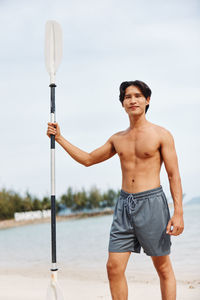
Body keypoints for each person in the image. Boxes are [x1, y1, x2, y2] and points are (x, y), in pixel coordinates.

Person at [47, 80, 184, 300]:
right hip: (124, 206)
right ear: (122, 104)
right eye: (128, 97)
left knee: (163, 267)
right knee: (113, 268)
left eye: (138, 96)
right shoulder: (117, 139)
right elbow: (89, 159)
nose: (133, 100)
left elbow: (173, 175)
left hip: (152, 204)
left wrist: (178, 212)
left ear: (147, 100)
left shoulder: (162, 135)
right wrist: (60, 138)